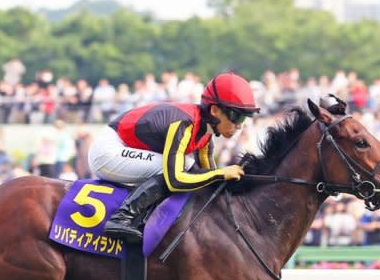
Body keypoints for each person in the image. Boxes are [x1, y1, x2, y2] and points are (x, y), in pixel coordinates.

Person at [88, 72, 256, 243]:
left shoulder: (206, 135)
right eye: (237, 116)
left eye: (244, 118)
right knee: (179, 166)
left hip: (122, 147)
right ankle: (121, 218)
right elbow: (175, 180)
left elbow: (208, 177)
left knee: (189, 166)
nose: (240, 125)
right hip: (107, 151)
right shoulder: (184, 124)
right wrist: (221, 173)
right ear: (214, 110)